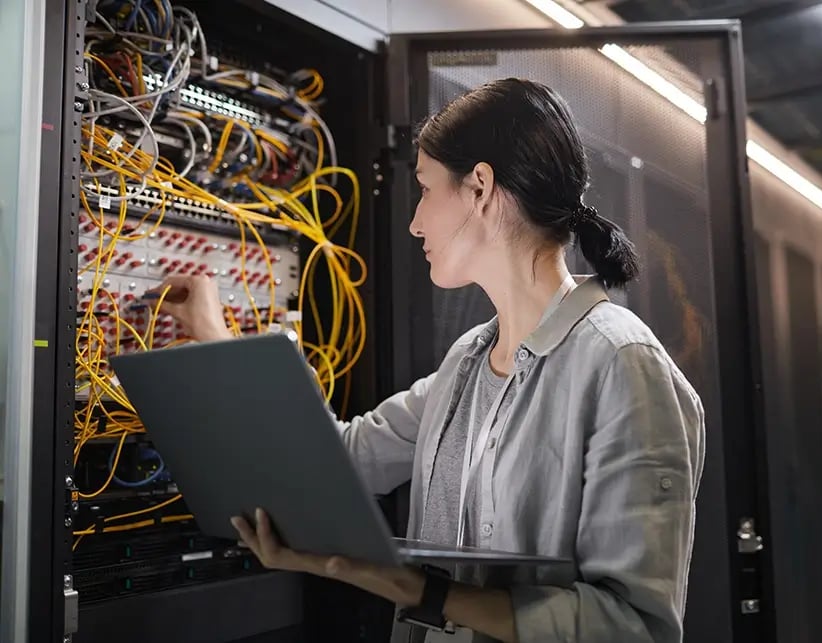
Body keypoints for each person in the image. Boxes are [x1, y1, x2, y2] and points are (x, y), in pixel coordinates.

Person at [153, 78, 705, 643]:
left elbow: (634, 628)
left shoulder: (623, 366)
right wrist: (221, 342)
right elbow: (343, 461)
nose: (416, 222)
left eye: (424, 188)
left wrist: (422, 592)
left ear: (479, 188)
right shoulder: (467, 364)